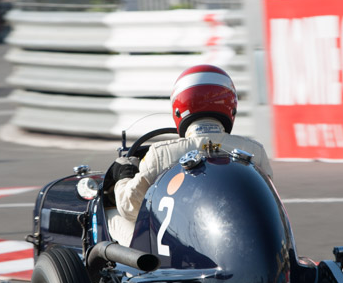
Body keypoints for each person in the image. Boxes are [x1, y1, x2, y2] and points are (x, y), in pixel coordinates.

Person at [107, 65, 274, 246]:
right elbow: (268, 208)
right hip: (241, 243)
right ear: (231, 106)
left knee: (110, 215)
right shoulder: (255, 152)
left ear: (179, 108)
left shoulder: (161, 153)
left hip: (178, 249)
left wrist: (124, 177)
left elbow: (129, 208)